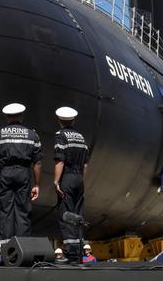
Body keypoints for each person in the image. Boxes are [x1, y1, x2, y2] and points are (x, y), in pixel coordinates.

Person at [0, 103, 42, 244]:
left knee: (6, 211)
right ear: (21, 116)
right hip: (24, 173)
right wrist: (37, 184)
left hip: (5, 173)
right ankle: (23, 248)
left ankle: (7, 250)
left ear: (6, 117)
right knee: (23, 210)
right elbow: (38, 162)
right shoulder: (32, 134)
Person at [53, 107, 89, 263]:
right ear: (73, 121)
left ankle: (71, 254)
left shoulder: (60, 136)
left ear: (59, 121)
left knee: (66, 214)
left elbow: (60, 160)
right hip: (79, 178)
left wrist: (56, 181)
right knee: (78, 213)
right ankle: (80, 251)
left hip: (67, 176)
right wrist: (81, 180)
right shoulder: (81, 137)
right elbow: (86, 165)